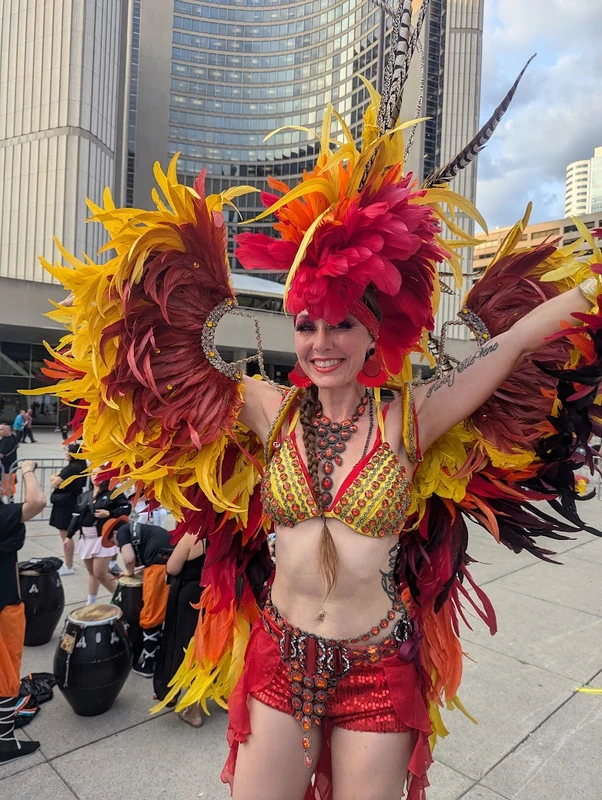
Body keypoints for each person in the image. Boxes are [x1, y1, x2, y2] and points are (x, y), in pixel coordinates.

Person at [29, 37, 602, 800]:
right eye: (306, 324)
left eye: (339, 325)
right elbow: (162, 374)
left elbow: (513, 343)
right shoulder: (267, 407)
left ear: (374, 333)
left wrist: (587, 289)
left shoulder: (411, 419)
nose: (321, 342)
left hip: (377, 664)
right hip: (278, 653)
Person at [0, 461, 46, 762]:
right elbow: (38, 501)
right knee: (4, 677)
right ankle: (5, 743)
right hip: (3, 606)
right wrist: (28, 469)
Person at [103, 518, 173, 678]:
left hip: (160, 567)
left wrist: (128, 571)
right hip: (167, 562)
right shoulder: (139, 529)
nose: (117, 546)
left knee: (150, 615)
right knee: (162, 614)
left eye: (114, 543)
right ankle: (159, 655)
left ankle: (148, 664)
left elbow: (129, 559)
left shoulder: (121, 532)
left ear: (114, 533)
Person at [153, 531, 206, 727]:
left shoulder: (193, 535)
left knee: (188, 649)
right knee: (212, 649)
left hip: (191, 598)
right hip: (218, 596)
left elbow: (172, 568)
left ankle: (193, 710)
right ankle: (225, 698)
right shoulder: (228, 533)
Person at [66, 469, 131, 605]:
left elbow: (126, 508)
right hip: (86, 538)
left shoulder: (113, 493)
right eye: (93, 474)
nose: (95, 476)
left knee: (100, 572)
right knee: (92, 573)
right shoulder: (84, 496)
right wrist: (69, 535)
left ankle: (122, 598)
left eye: (99, 473)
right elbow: (76, 517)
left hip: (103, 538)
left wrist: (109, 513)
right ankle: (91, 601)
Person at [49, 444, 88, 576]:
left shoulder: (72, 468)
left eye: (68, 451)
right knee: (67, 533)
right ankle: (68, 563)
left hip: (66, 504)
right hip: (72, 501)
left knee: (66, 535)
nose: (66, 454)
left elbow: (56, 482)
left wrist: (54, 478)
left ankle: (69, 564)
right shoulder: (81, 467)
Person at [0, 424, 19, 499]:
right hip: (9, 467)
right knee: (7, 488)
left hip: (7, 468)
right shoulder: (12, 437)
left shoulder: (7, 441)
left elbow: (1, 455)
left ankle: (10, 504)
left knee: (8, 489)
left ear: (8, 431)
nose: (0, 431)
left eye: (1, 430)